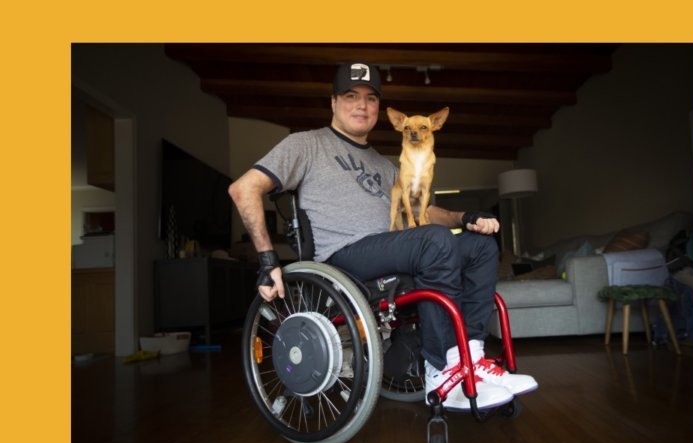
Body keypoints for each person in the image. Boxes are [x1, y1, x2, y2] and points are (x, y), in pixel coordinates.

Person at [229, 62, 537, 410]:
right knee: (435, 241)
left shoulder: (385, 165)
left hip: (396, 250)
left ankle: (473, 358)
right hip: (344, 258)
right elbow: (243, 189)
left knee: (480, 246)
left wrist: (464, 217)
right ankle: (442, 371)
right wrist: (268, 260)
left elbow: (423, 212)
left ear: (378, 108)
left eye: (370, 98)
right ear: (333, 103)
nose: (362, 105)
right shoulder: (306, 144)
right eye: (351, 96)